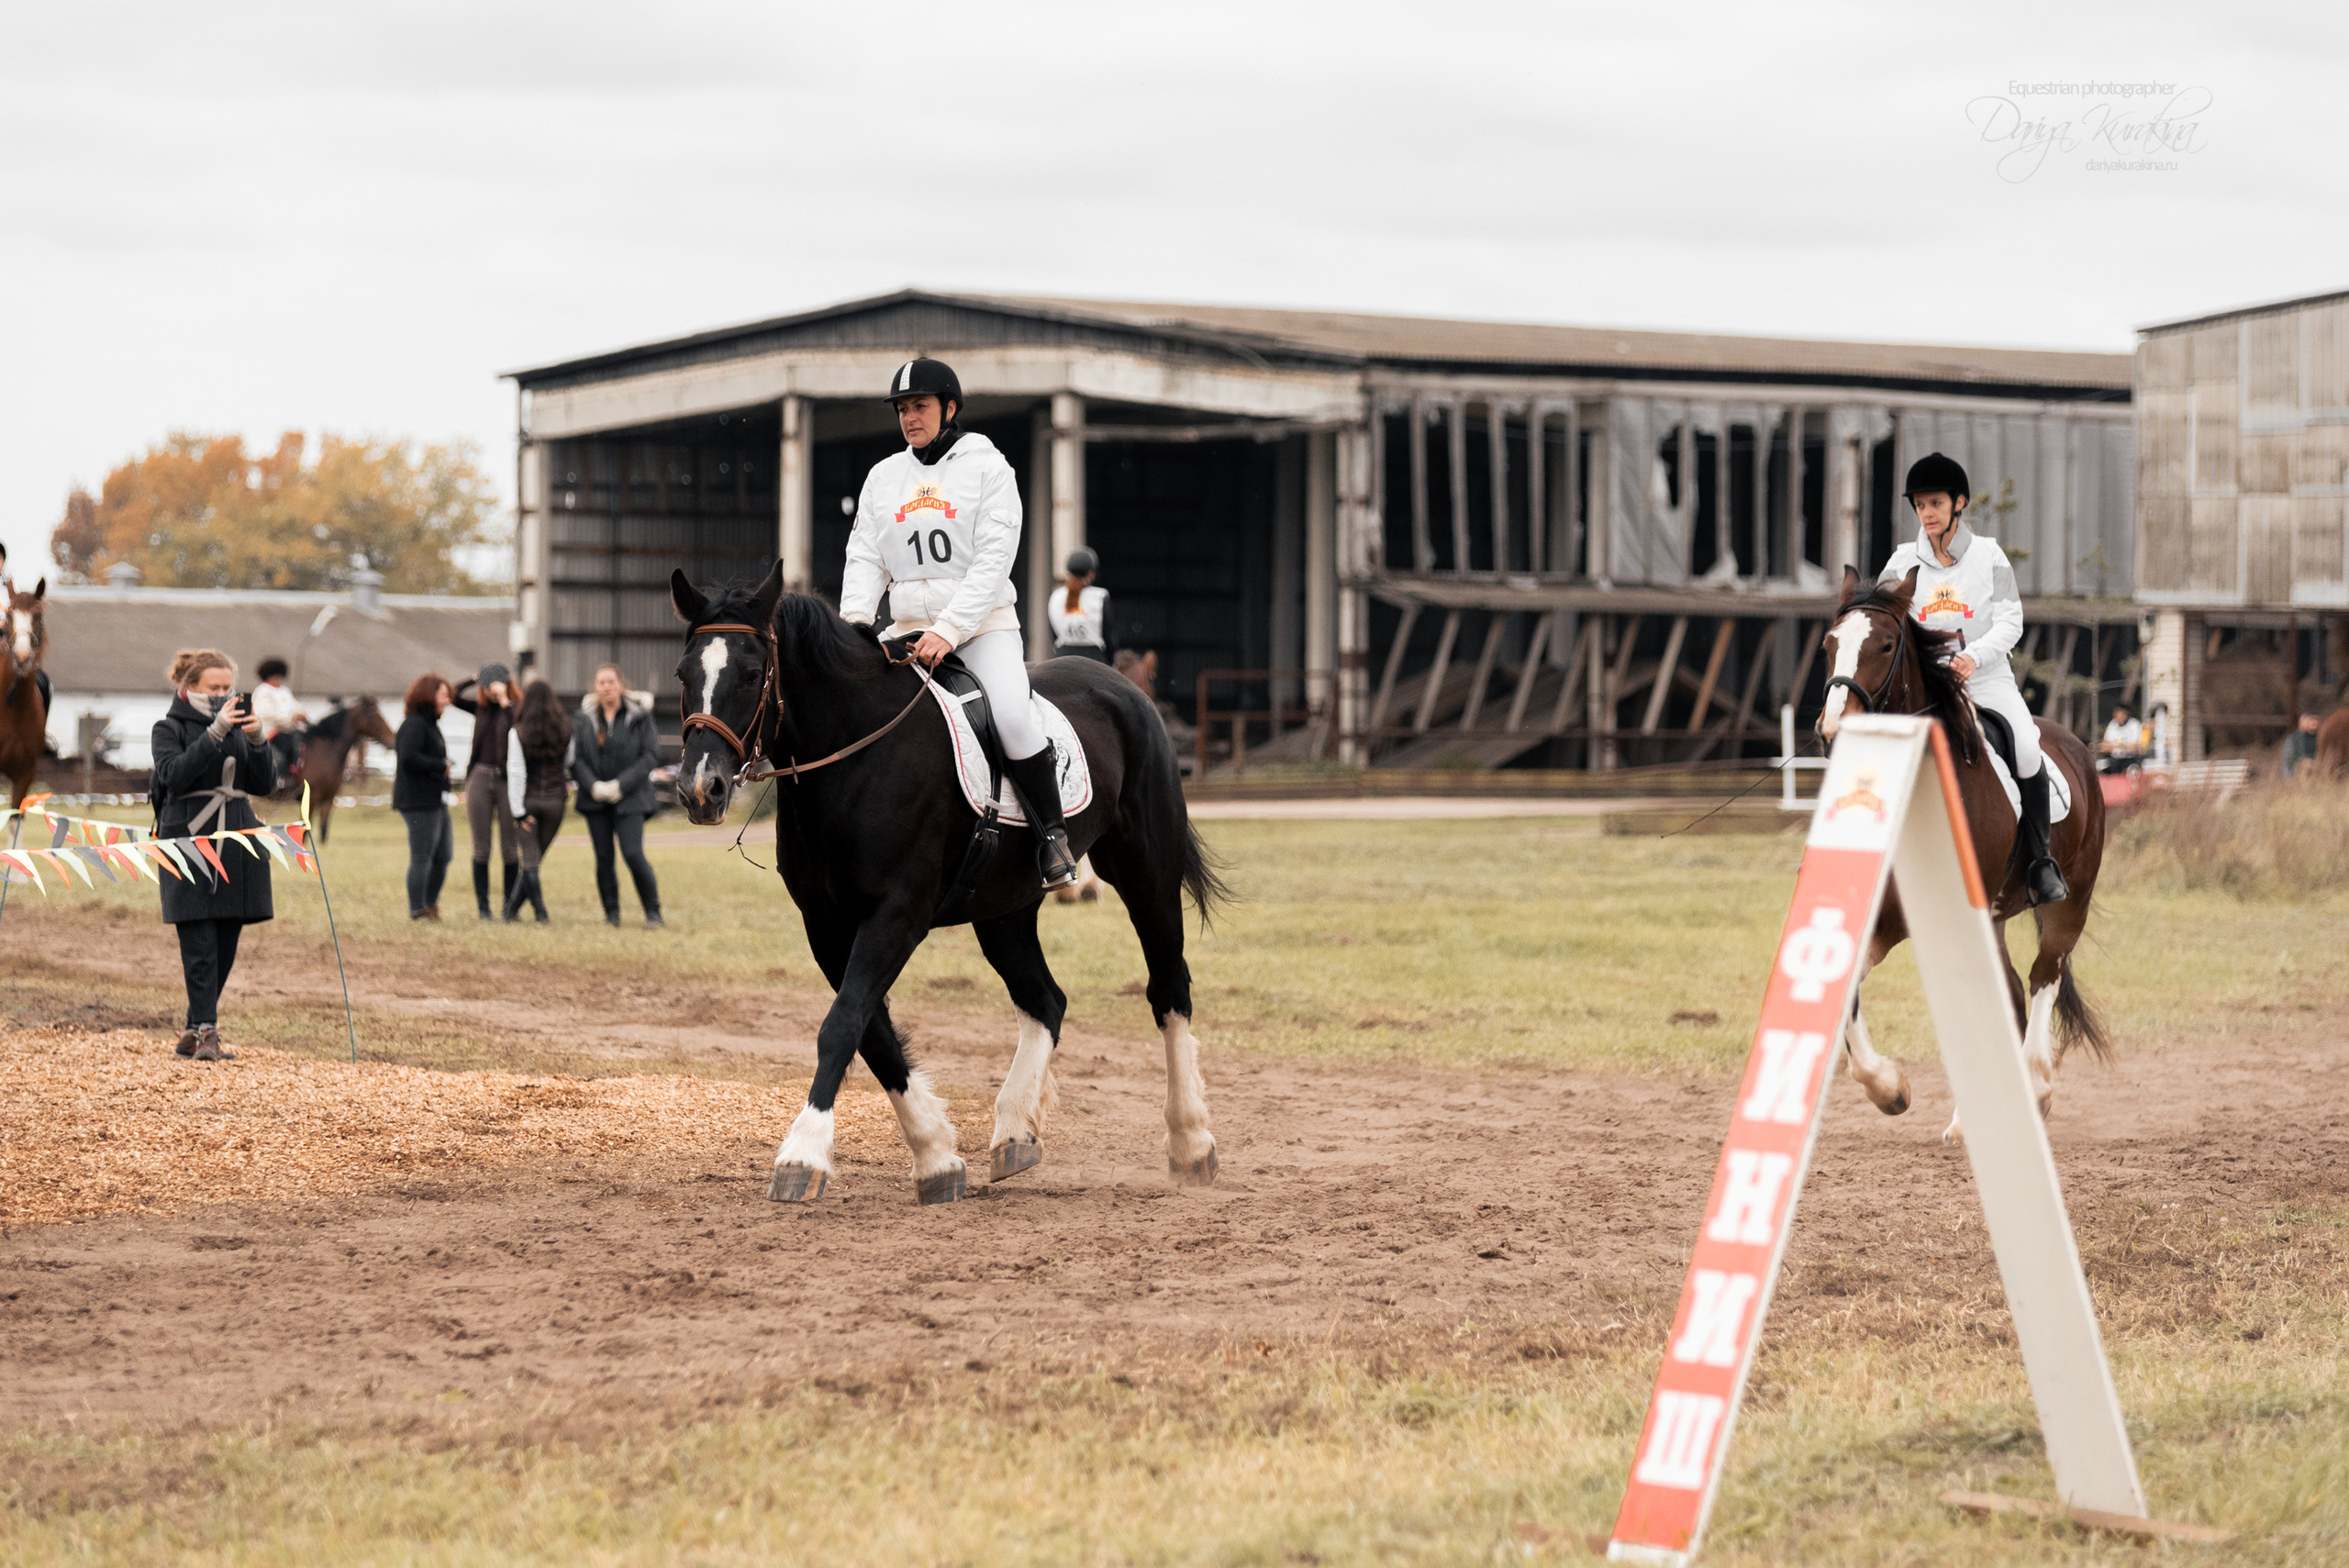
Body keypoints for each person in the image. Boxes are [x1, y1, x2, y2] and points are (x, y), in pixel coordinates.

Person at [841, 357, 1080, 890]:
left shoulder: (989, 468)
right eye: (902, 409)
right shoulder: (884, 477)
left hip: (981, 630)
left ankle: (1052, 836)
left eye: (920, 406)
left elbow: (994, 562)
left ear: (949, 408)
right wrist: (855, 624)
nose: (909, 417)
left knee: (1012, 716)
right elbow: (865, 557)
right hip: (905, 630)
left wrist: (949, 630)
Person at [1879, 452, 2066, 906]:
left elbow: (2011, 620)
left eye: (1935, 503)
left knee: (2026, 747)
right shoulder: (1900, 562)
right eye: (1920, 505)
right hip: (1926, 686)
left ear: (1959, 503)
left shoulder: (1990, 556)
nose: (1926, 514)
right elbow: (1883, 621)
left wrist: (1974, 657)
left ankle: (2040, 861)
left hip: (1986, 679)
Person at [150, 649, 276, 1062]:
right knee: (199, 937)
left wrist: (257, 741)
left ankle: (193, 1029)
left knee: (226, 940)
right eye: (214, 687)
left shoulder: (238, 726)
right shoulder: (167, 728)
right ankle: (207, 1031)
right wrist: (214, 733)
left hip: (238, 837)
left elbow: (264, 784)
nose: (223, 694)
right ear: (189, 688)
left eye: (228, 687)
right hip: (189, 838)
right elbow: (174, 775)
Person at [571, 662, 662, 929]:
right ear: (595, 687)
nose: (606, 687)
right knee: (603, 857)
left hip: (631, 798)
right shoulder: (584, 719)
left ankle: (653, 913)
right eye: (601, 683)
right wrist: (594, 786)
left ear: (621, 684)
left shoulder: (640, 717)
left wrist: (620, 785)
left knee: (633, 853)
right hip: (595, 799)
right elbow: (576, 759)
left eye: (611, 682)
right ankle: (611, 915)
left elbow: (650, 755)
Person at [451, 662, 518, 921]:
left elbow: (517, 727)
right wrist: (473, 678)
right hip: (479, 777)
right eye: (488, 687)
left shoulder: (515, 708)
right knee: (481, 848)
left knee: (510, 848)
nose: (491, 691)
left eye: (495, 685)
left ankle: (509, 907)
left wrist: (505, 701)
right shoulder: (480, 709)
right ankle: (483, 908)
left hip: (507, 780)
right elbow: (452, 695)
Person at [502, 676, 573, 922]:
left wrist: (518, 811)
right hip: (556, 802)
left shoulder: (518, 732)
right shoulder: (566, 729)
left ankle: (540, 912)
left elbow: (516, 772)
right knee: (535, 859)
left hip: (528, 801)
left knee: (530, 860)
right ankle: (511, 911)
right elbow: (570, 761)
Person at [394, 673, 454, 920]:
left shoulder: (430, 725)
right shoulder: (414, 725)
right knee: (422, 856)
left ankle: (430, 904)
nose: (448, 701)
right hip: (418, 801)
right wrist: (440, 766)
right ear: (429, 696)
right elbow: (408, 758)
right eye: (443, 695)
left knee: (443, 855)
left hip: (436, 799)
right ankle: (418, 908)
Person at [0, 539, 49, 717]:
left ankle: (41, 728)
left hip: (8, 641)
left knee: (43, 683)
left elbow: (22, 617)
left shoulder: (11, 588)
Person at [1047, 547, 1112, 662]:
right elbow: (1109, 635)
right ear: (1091, 573)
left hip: (1062, 656)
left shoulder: (1056, 596)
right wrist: (1111, 660)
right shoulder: (1100, 596)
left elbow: (1053, 635)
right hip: (1093, 657)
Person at [250, 657, 307, 781]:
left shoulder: (284, 691)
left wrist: (301, 713)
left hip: (289, 730)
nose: (279, 679)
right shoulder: (262, 691)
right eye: (276, 676)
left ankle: (295, 772)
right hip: (271, 731)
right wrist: (289, 718)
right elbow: (265, 713)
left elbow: (295, 705)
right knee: (286, 745)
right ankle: (280, 775)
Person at [2098, 705, 2144, 773]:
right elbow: (2104, 747)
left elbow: (2133, 747)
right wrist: (2121, 746)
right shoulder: (2112, 724)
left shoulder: (2134, 725)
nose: (2118, 717)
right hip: (2114, 760)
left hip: (2130, 760)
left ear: (2126, 714)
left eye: (2121, 715)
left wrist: (2115, 745)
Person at [2282, 711, 2321, 779]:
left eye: (2315, 720)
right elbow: (2289, 760)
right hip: (2295, 773)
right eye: (2311, 720)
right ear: (2302, 723)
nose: (2314, 723)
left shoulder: (2315, 737)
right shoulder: (2294, 739)